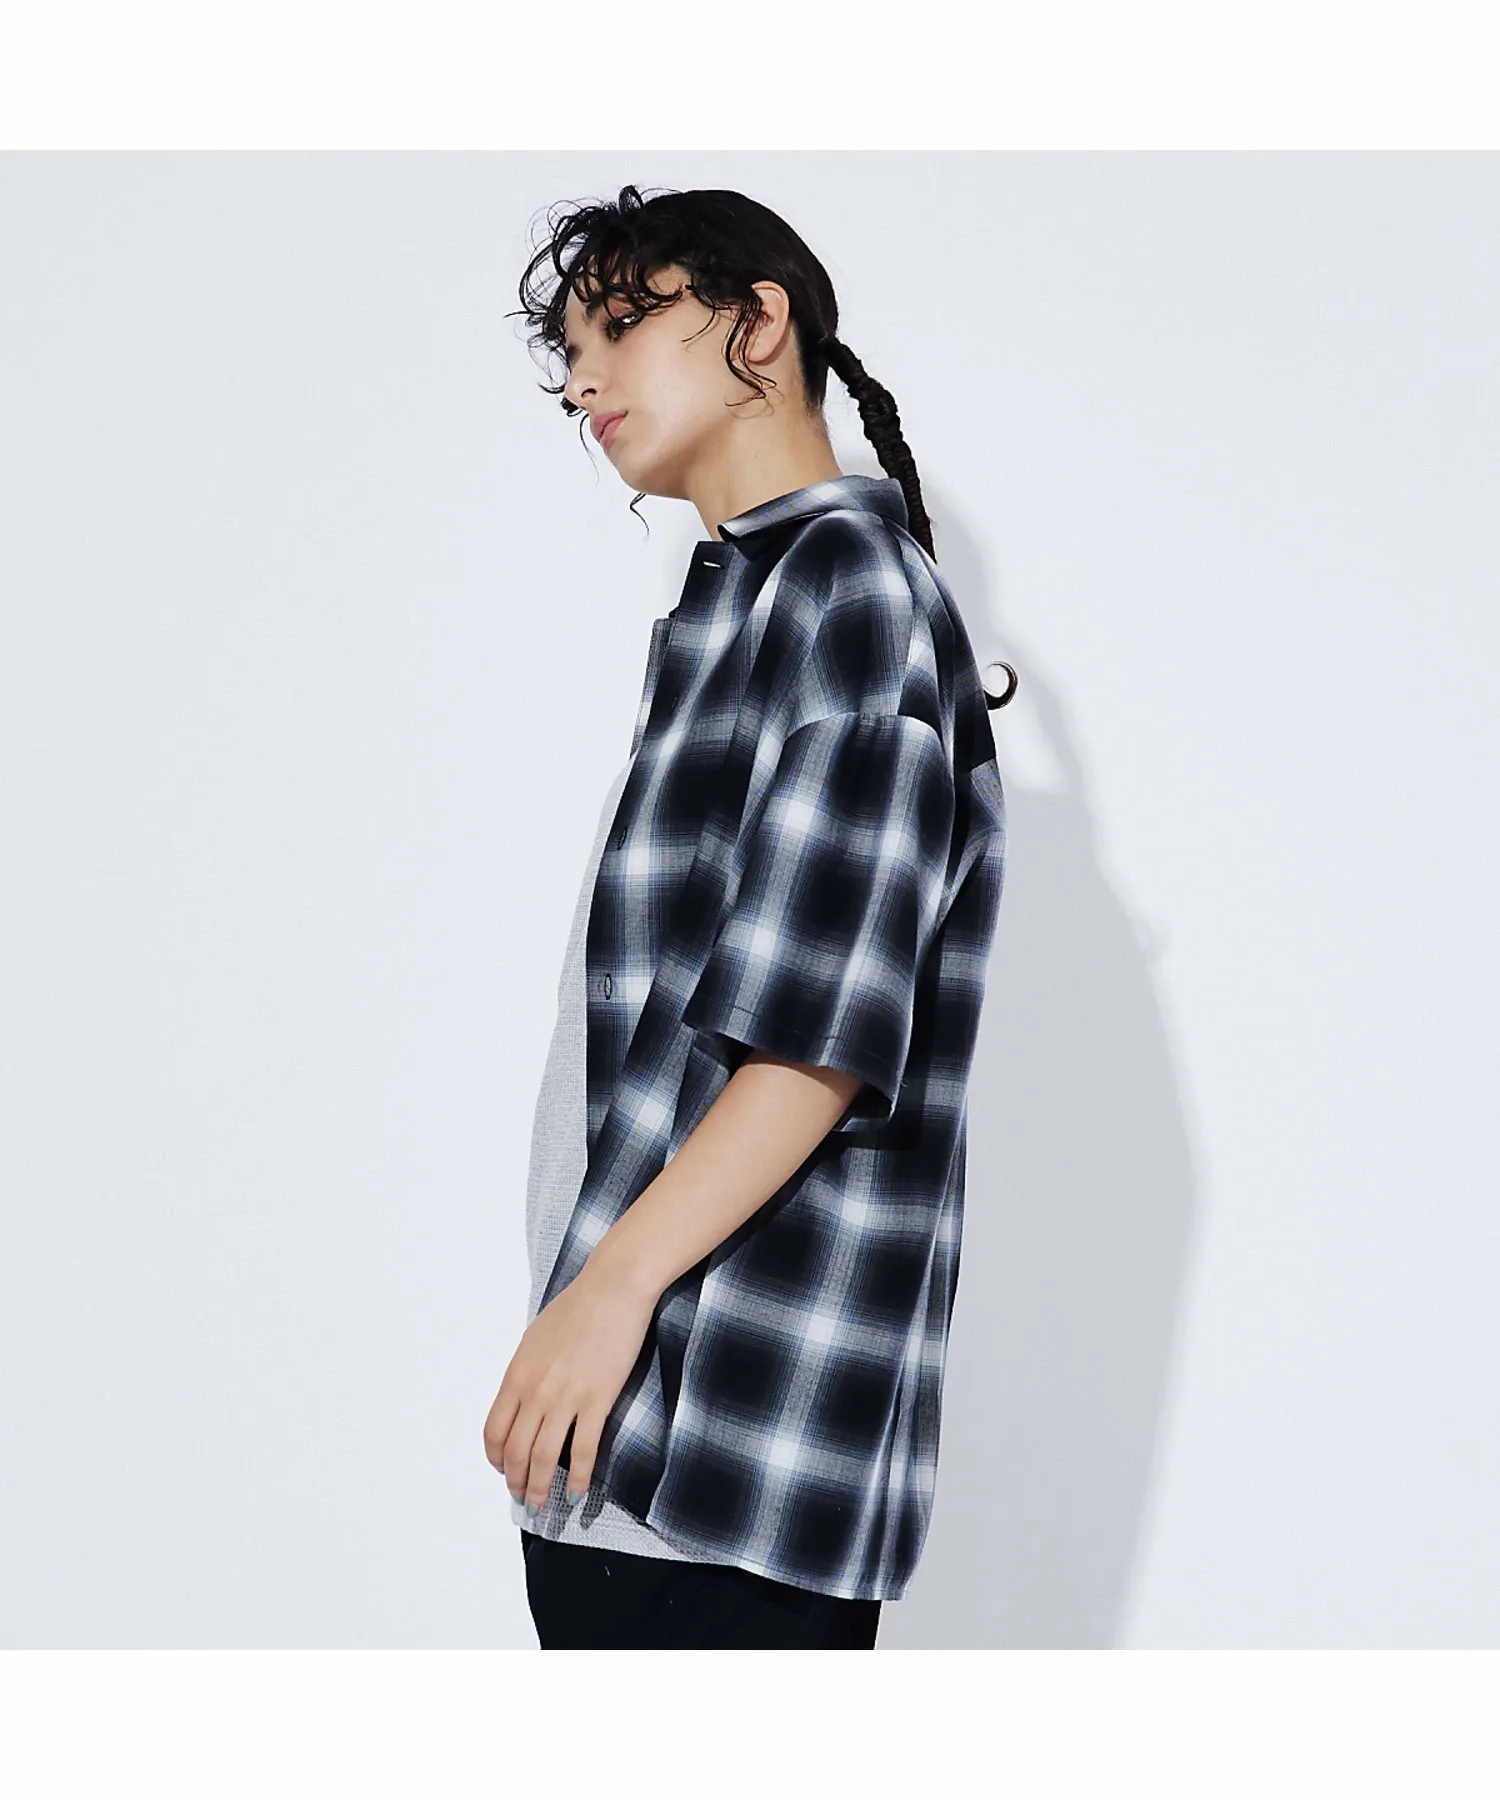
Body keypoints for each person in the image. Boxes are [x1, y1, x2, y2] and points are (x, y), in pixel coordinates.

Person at [484, 184, 1016, 1650]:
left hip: (722, 1457)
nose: (583, 380)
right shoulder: (744, 611)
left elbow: (815, 1042)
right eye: (569, 352)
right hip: (646, 1437)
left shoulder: (851, 598)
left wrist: (607, 1294)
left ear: (758, 323)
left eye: (620, 322)